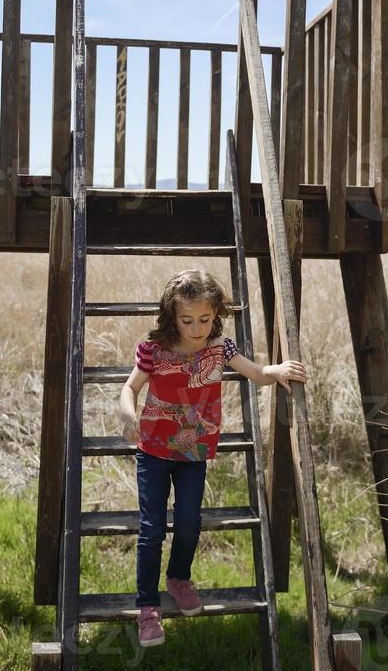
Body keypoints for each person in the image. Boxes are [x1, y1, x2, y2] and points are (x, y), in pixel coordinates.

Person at [117, 268, 308, 648]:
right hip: (153, 450)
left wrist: (277, 370)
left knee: (189, 520)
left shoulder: (221, 349)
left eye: (204, 319)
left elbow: (257, 374)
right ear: (172, 316)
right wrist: (126, 414)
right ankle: (148, 608)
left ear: (215, 314)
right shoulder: (154, 350)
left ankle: (179, 578)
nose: (197, 327)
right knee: (152, 528)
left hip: (193, 452)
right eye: (187, 320)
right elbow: (130, 388)